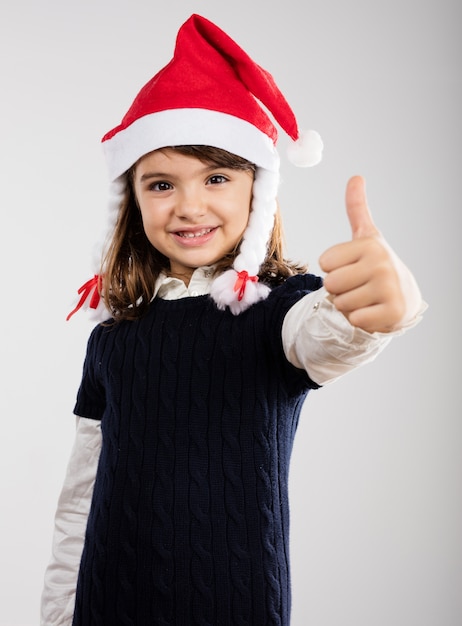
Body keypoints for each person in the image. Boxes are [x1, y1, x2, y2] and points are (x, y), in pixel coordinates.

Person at [40, 13, 425, 626]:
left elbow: (327, 335)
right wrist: (60, 612)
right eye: (161, 183)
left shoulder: (282, 312)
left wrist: (378, 309)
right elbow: (82, 490)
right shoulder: (112, 337)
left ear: (257, 191)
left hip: (235, 605)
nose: (190, 205)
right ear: (133, 200)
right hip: (106, 605)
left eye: (217, 176)